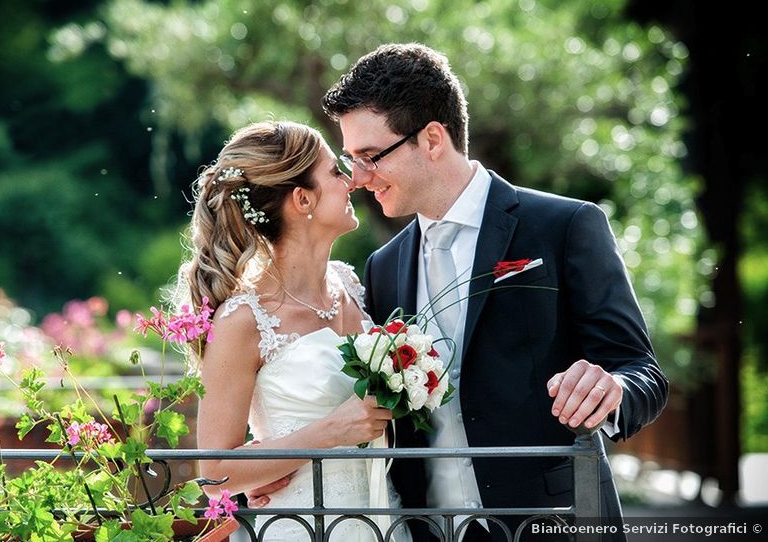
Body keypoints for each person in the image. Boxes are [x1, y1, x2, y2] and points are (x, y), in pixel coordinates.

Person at [317, 43, 669, 542]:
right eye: (350, 160)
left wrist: (611, 391)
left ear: (433, 139)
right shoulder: (382, 266)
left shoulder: (566, 225)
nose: (358, 177)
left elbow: (643, 374)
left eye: (371, 157)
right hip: (425, 528)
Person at [175, 121, 411, 541]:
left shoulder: (351, 284)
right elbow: (214, 474)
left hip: (386, 523)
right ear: (302, 199)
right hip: (303, 528)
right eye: (336, 173)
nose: (353, 181)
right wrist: (329, 432)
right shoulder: (243, 320)